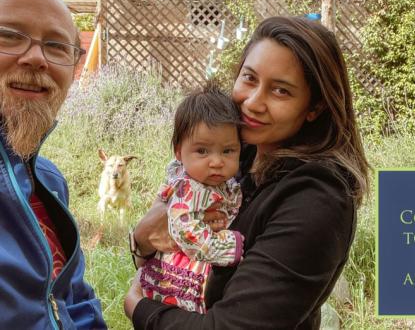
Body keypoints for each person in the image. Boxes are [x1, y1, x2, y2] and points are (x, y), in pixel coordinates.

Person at [125, 16, 369, 329]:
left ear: (314, 108)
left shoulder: (316, 200)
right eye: (249, 79)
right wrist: (142, 239)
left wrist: (140, 309)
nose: (253, 103)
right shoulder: (234, 157)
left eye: (280, 91)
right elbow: (156, 241)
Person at [0, 0, 106, 329]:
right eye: (9, 36)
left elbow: (73, 298)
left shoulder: (48, 179)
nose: (36, 58)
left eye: (57, 46)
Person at [139, 84, 243, 314]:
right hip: (180, 269)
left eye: (227, 151)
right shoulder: (188, 187)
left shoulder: (220, 184)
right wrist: (226, 246)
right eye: (202, 151)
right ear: (179, 152)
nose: (216, 161)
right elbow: (184, 228)